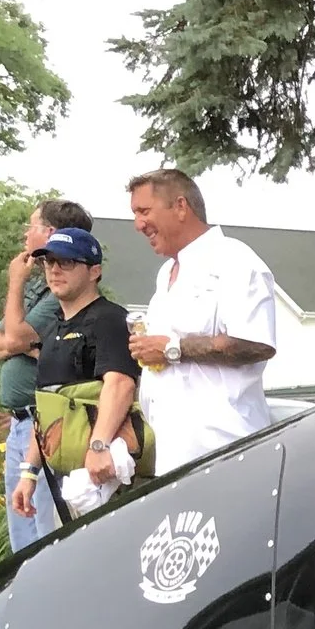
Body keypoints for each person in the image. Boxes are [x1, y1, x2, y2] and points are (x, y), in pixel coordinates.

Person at [125, 168, 277, 473]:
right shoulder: (166, 274)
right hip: (174, 453)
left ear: (181, 206)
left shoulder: (234, 260)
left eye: (144, 211)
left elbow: (257, 344)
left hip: (225, 451)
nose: (138, 225)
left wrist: (173, 349)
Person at [0, 197, 94, 549]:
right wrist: (26, 345)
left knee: (45, 530)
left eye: (31, 226)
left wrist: (15, 282)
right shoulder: (37, 289)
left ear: (50, 232)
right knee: (21, 534)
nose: (25, 234)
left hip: (44, 420)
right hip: (18, 423)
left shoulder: (58, 295)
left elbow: (13, 336)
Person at [12, 229, 141, 525]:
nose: (55, 269)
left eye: (67, 262)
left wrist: (99, 446)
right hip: (66, 478)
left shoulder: (109, 319)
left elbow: (120, 384)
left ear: (94, 271)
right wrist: (29, 472)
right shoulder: (53, 330)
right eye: (49, 261)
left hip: (107, 476)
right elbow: (46, 409)